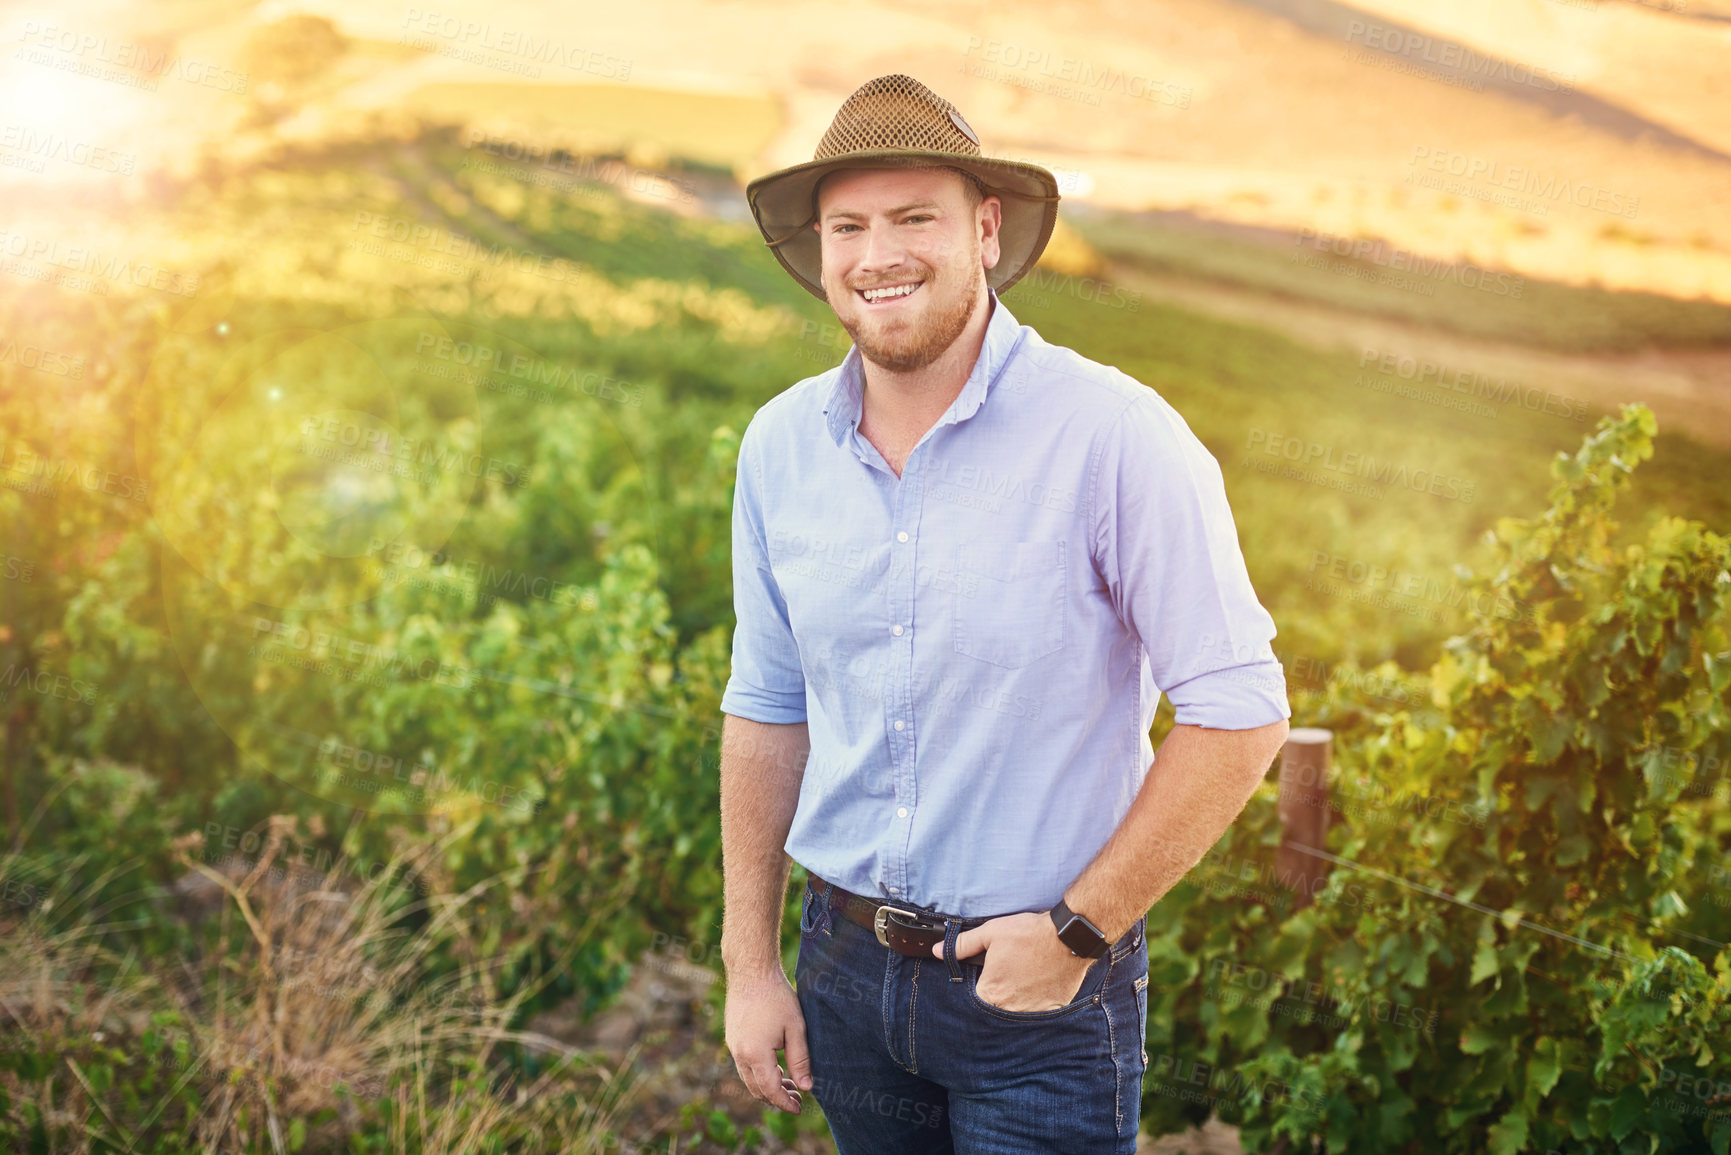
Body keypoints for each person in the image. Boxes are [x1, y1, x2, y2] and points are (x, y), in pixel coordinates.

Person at [718, 74, 1291, 1154]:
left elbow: (1241, 710)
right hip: (841, 974)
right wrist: (751, 965)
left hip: (1040, 999)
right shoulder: (778, 447)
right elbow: (767, 705)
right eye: (848, 225)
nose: (876, 253)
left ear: (985, 230)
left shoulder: (1115, 436)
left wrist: (1080, 932)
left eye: (913, 218)